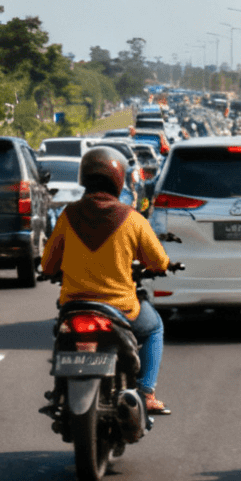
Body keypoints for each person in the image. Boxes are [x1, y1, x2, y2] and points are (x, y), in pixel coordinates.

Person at [41, 146, 175, 414]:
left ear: (84, 179)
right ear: (118, 181)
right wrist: (158, 266)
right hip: (121, 309)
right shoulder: (132, 219)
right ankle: (146, 393)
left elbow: (48, 264)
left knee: (61, 336)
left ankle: (59, 393)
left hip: (74, 306)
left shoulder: (68, 216)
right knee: (154, 328)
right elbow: (159, 262)